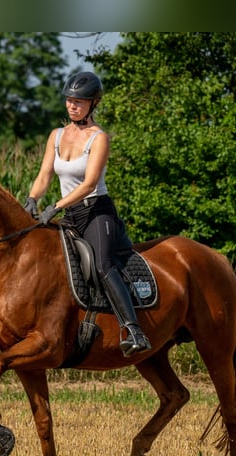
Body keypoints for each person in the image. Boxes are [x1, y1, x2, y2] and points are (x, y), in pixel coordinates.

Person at [24, 71, 151, 357]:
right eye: (69, 100)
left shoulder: (99, 138)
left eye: (79, 101)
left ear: (93, 104)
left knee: (103, 265)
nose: (72, 105)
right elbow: (45, 174)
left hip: (96, 212)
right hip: (70, 214)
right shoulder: (56, 136)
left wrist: (55, 206)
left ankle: (134, 330)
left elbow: (89, 184)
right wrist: (32, 199)